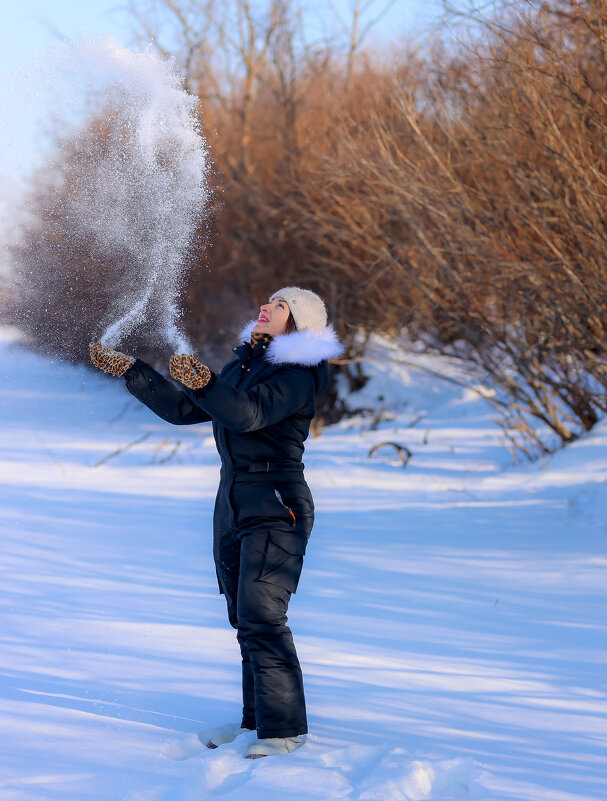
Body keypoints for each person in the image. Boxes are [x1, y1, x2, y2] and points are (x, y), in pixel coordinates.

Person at [89, 287, 343, 759]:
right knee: (243, 618)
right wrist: (135, 372)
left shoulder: (300, 373)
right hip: (233, 503)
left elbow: (248, 415)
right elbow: (189, 410)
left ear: (299, 322)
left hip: (276, 503)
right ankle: (256, 724)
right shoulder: (244, 365)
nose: (266, 307)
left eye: (280, 305)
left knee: (264, 617)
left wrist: (207, 384)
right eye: (267, 301)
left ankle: (284, 730)